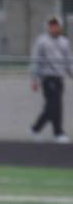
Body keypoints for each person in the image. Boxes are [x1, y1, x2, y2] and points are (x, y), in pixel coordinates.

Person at [30, 15, 73, 144]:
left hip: (59, 78)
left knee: (52, 106)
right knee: (55, 105)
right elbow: (36, 60)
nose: (53, 28)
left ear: (60, 27)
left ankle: (35, 129)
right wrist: (34, 79)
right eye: (51, 25)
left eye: (55, 25)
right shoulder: (42, 41)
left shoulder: (64, 42)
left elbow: (68, 61)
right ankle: (58, 132)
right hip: (48, 77)